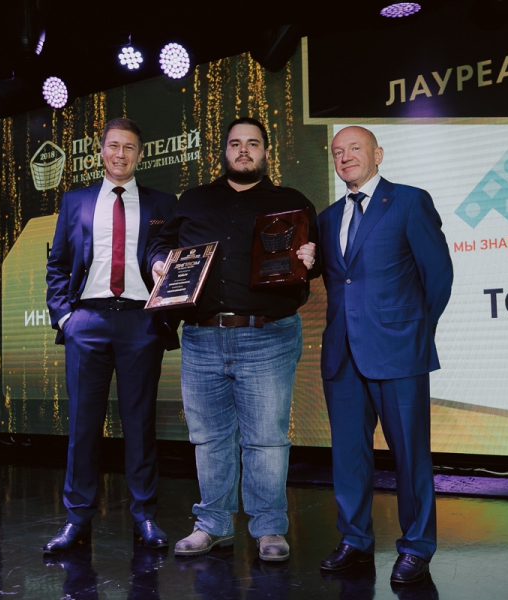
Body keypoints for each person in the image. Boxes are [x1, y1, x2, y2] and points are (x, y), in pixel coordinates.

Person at [148, 117, 318, 562]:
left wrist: (311, 258)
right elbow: (160, 245)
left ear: (266, 152)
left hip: (268, 336)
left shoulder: (292, 202)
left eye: (253, 143)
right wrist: (158, 264)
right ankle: (213, 525)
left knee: (266, 439)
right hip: (202, 336)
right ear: (224, 151)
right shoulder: (193, 200)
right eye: (236, 143)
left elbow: (312, 260)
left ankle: (268, 527)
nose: (244, 150)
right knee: (209, 439)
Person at [316, 126, 453, 583]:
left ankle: (416, 546)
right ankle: (355, 539)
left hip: (398, 351)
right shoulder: (327, 218)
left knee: (410, 456)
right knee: (348, 457)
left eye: (355, 148)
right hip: (341, 355)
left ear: (378, 154)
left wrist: (413, 333)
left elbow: (438, 276)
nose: (345, 156)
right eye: (337, 151)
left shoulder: (410, 202)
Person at [44, 117, 178, 554]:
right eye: (114, 146)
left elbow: (170, 256)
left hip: (140, 322)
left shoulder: (162, 203)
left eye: (129, 147)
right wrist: (66, 318)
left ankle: (144, 516)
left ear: (140, 154)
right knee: (83, 426)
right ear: (101, 151)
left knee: (140, 425)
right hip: (87, 321)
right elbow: (58, 264)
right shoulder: (76, 201)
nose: (121, 154)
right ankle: (77, 518)